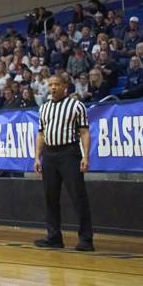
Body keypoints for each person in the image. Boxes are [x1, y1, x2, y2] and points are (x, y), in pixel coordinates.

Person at [34, 75, 94, 250]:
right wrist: (37, 157)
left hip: (69, 153)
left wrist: (85, 156)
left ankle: (86, 239)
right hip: (49, 155)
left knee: (78, 196)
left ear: (64, 87)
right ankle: (54, 237)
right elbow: (41, 134)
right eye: (50, 84)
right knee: (50, 197)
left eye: (56, 84)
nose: (53, 87)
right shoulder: (44, 108)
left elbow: (84, 132)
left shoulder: (76, 105)